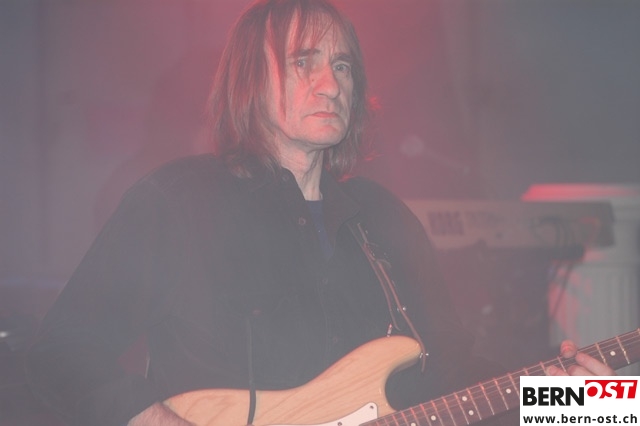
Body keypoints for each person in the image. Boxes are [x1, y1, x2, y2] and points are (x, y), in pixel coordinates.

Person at [24, 1, 616, 425]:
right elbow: (62, 352)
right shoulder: (177, 202)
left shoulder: (384, 220)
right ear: (250, 78)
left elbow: (454, 378)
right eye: (304, 62)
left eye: (343, 66)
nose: (330, 84)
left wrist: (586, 405)